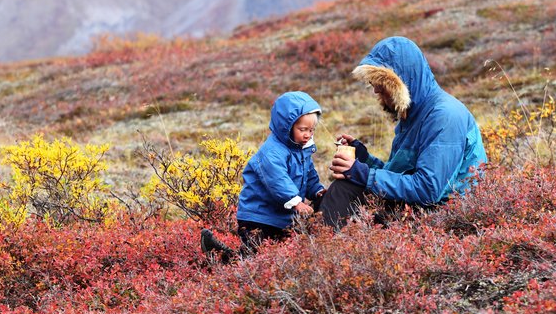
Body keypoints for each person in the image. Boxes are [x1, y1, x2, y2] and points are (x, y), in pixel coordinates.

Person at [319, 36, 487, 227]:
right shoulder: (413, 116)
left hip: (444, 217)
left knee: (346, 189)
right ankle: (321, 242)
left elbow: (428, 189)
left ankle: (321, 245)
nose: (375, 91)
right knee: (342, 190)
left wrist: (364, 174)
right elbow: (400, 176)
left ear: (399, 83)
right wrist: (364, 159)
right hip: (418, 208)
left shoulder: (444, 117)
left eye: (380, 85)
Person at [201, 91, 326, 263]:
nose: (308, 135)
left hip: (280, 216)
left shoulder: (301, 149)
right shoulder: (272, 152)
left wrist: (317, 190)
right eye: (302, 129)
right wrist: (296, 202)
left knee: (274, 259)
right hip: (258, 216)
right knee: (254, 259)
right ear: (286, 127)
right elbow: (278, 180)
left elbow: (309, 174)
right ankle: (216, 255)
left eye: (311, 130)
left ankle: (223, 257)